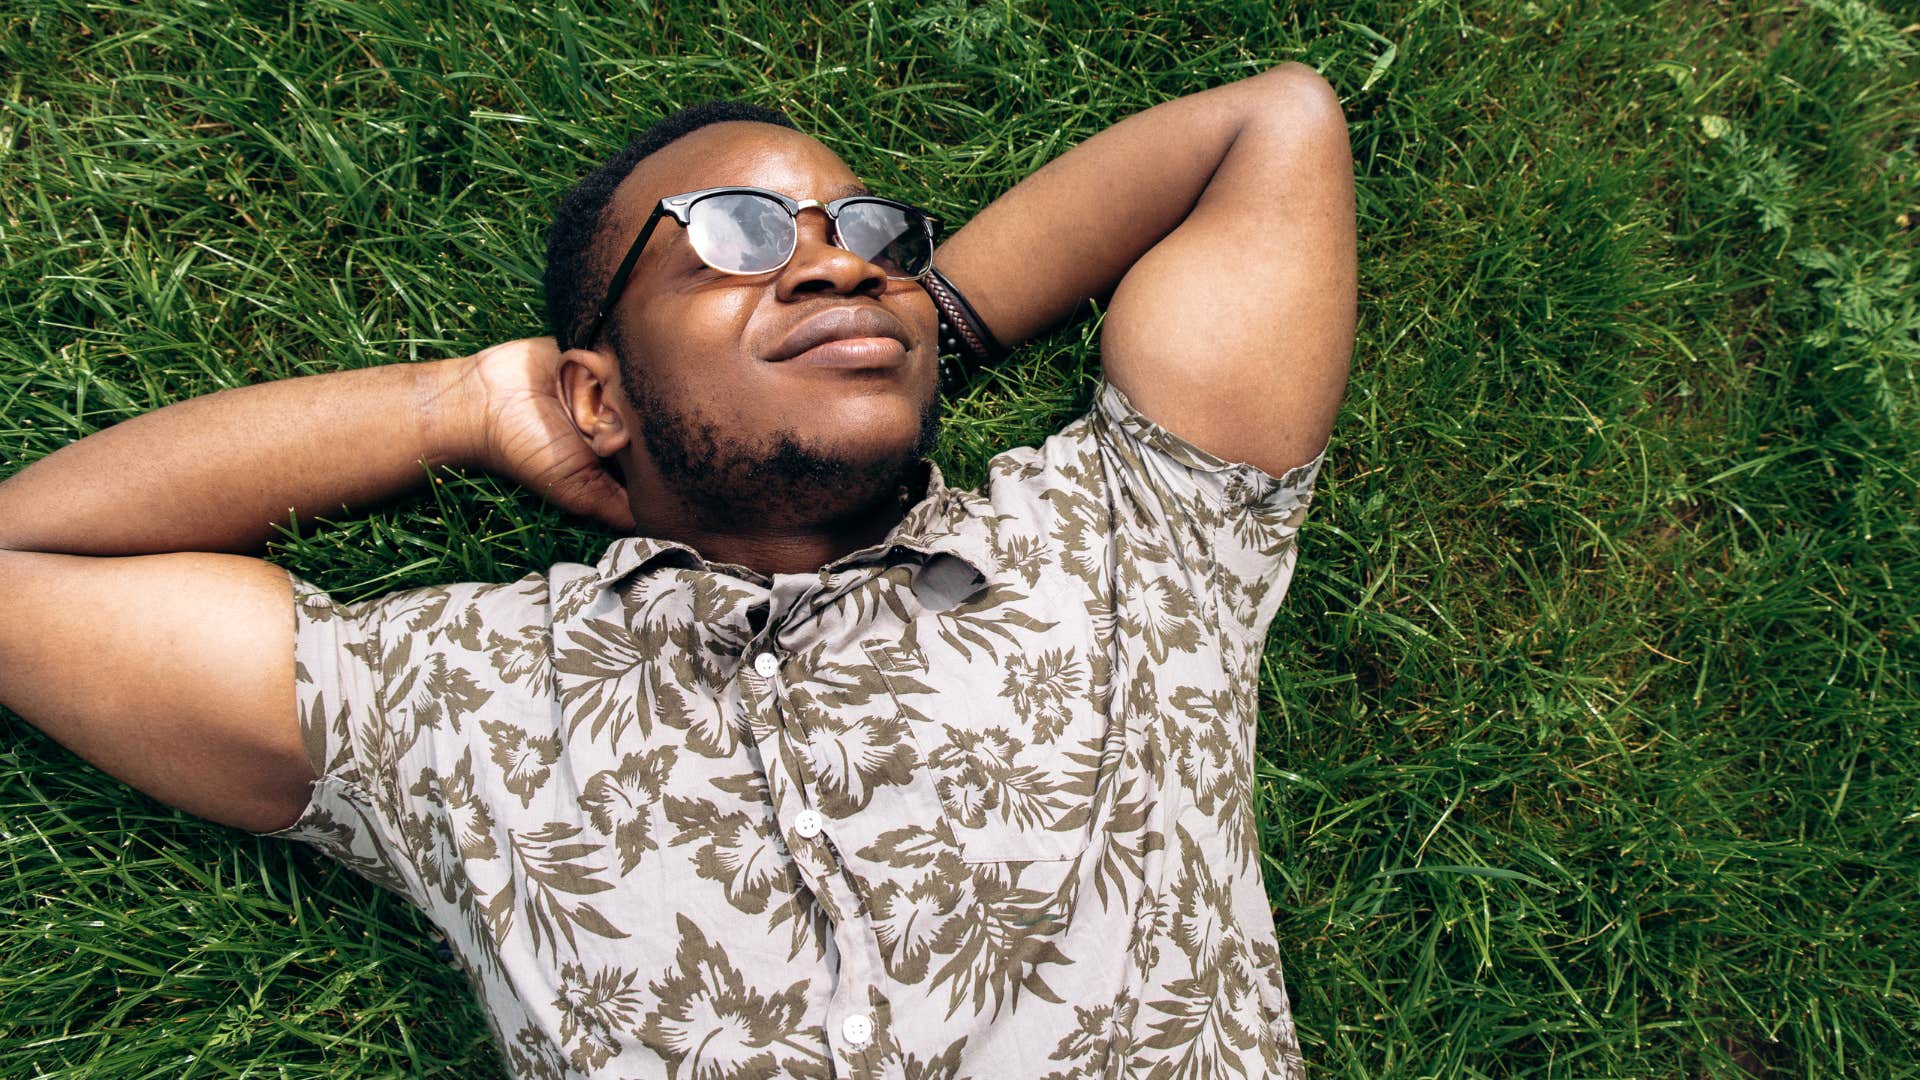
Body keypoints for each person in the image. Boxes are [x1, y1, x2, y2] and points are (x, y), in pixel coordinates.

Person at [0, 62, 1354, 1079]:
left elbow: (1271, 125)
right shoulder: (454, 696)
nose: (836, 265)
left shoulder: (1128, 542)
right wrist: (458, 408)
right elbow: (22, 562)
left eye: (870, 237)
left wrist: (899, 323)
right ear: (597, 394)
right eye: (739, 237)